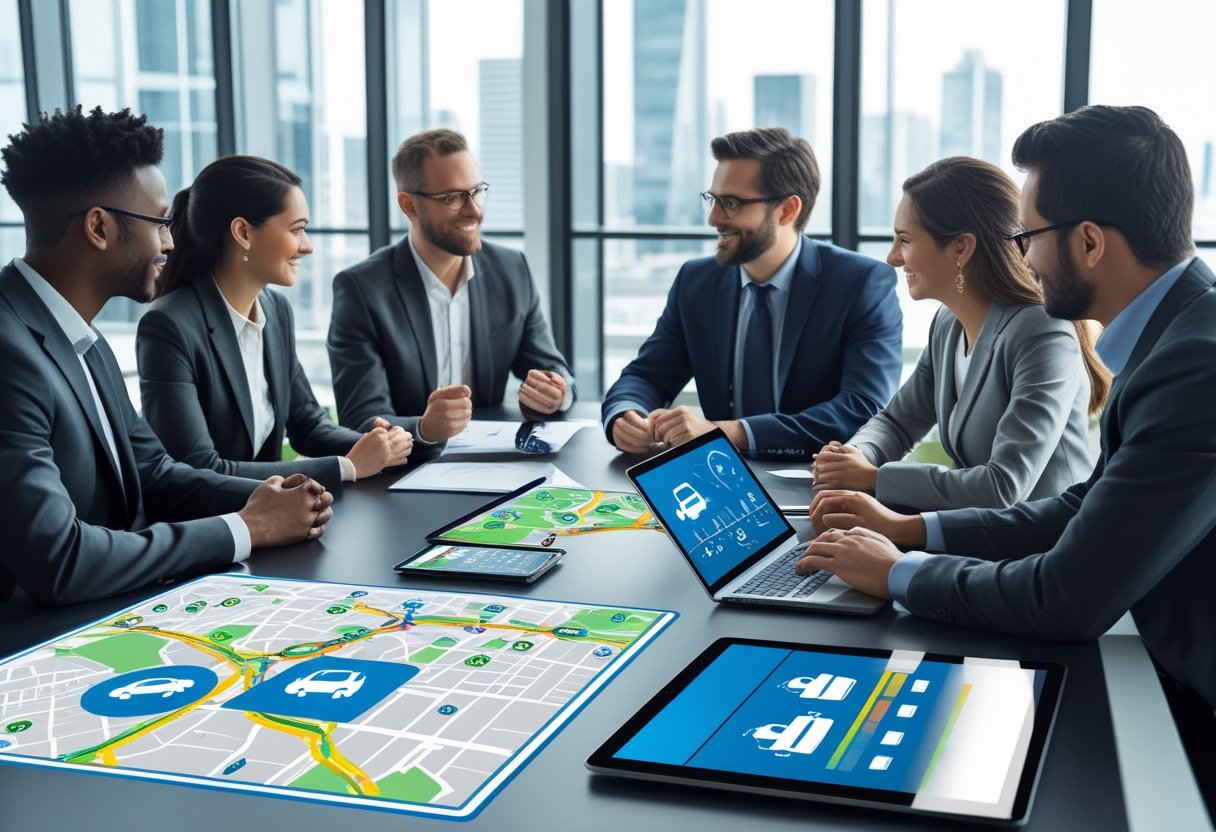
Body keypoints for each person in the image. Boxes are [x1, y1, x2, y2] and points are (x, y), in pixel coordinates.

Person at [800, 105, 1216, 717]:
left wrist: (899, 572)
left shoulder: (1194, 366)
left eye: (1029, 238)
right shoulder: (1178, 337)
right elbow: (1083, 505)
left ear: (1090, 242)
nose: (1024, 257)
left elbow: (1065, 598)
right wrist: (910, 530)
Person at [0, 107, 333, 605]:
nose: (170, 241)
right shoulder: (10, 353)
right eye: (159, 221)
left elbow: (153, 472)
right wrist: (246, 528)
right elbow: (61, 558)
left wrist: (285, 495)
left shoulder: (80, 339)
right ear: (99, 227)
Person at [810, 157, 1109, 510]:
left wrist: (872, 478)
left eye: (905, 240)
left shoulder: (1043, 332)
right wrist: (853, 455)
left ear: (960, 248)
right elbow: (896, 422)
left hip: (1040, 550)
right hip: (973, 537)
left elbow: (1002, 487)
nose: (892, 257)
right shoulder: (947, 324)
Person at [601, 127, 903, 459]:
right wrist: (625, 415)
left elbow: (862, 408)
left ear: (788, 210)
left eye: (731, 203)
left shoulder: (860, 283)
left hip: (815, 481)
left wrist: (730, 432)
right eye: (713, 199)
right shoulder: (696, 281)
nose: (713, 218)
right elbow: (647, 375)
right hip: (718, 474)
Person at [137, 155, 412, 493]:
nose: (307, 246)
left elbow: (308, 425)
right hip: (212, 526)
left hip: (277, 521)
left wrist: (377, 444)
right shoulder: (168, 325)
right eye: (297, 229)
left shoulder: (276, 310)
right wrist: (348, 466)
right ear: (243, 233)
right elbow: (197, 467)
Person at [326, 129, 575, 454]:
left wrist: (556, 392)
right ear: (409, 205)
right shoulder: (362, 290)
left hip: (494, 465)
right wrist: (426, 429)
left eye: (477, 192)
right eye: (452, 198)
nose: (474, 211)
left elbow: (554, 370)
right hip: (401, 476)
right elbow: (361, 419)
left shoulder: (512, 270)